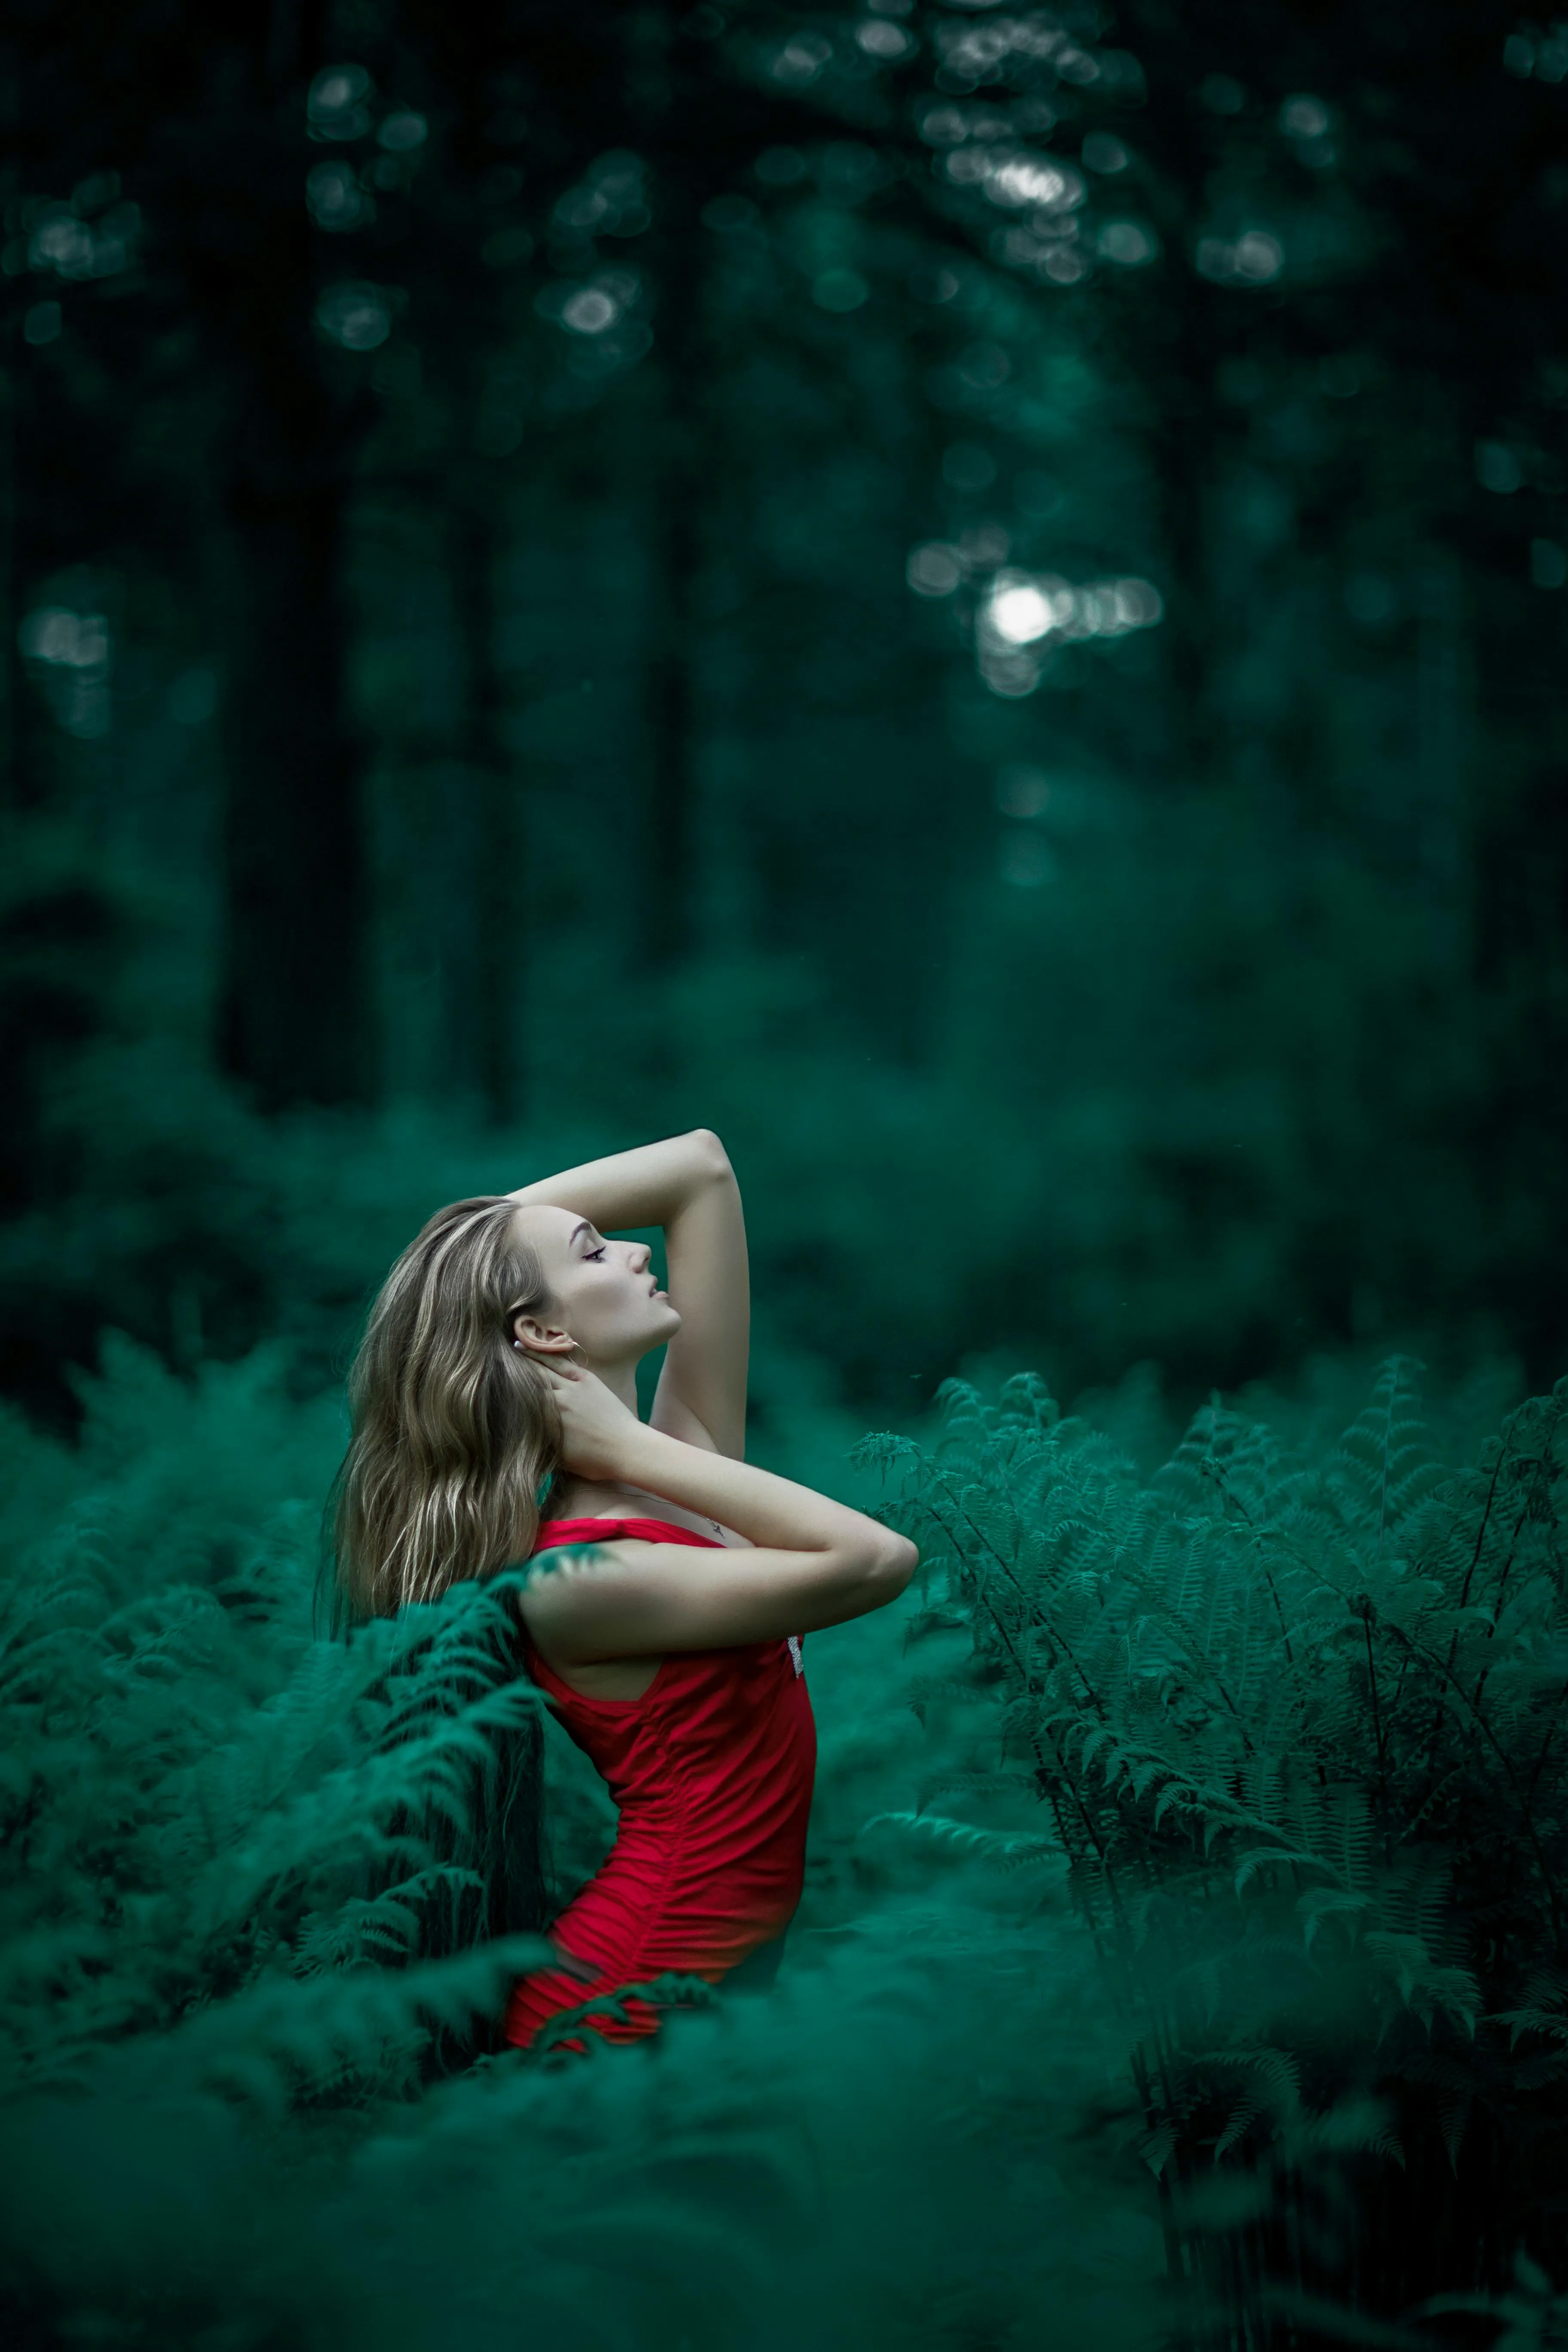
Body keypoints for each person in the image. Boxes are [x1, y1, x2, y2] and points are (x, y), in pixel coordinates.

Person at [333, 1130, 918, 2055]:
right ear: (544, 1332)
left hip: (705, 1995)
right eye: (596, 1251)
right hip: (629, 2007)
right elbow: (879, 1561)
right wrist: (627, 1445)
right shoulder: (585, 1573)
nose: (637, 1247)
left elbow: (701, 1168)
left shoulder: (673, 1469)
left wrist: (467, 1263)